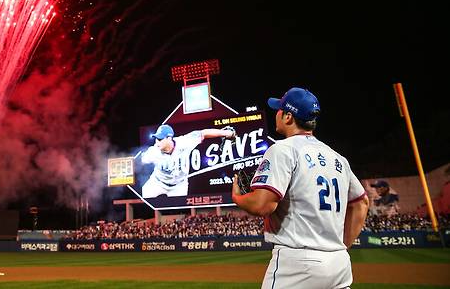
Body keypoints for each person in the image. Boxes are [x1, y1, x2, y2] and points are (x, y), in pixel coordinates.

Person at [231, 87, 369, 289]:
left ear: (288, 117)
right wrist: (339, 247)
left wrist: (237, 197)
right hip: (339, 264)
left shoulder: (282, 149)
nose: (276, 113)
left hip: (298, 264)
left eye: (279, 109)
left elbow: (262, 205)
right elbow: (361, 203)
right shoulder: (338, 158)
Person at [141, 124, 237, 198]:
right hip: (157, 183)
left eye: (160, 139)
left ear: (169, 138)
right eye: (156, 139)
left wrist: (227, 133)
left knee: (179, 213)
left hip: (179, 186)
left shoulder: (185, 142)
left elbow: (203, 133)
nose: (157, 142)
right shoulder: (153, 152)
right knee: (145, 197)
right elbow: (138, 162)